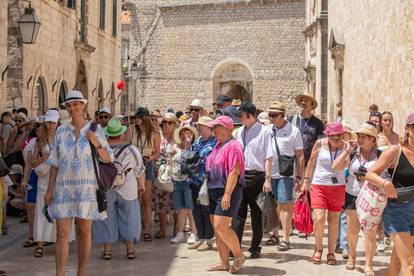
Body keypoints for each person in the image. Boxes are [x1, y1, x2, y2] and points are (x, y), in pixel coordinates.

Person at [44, 90, 113, 276]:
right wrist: (49, 190)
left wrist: (96, 143)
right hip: (63, 188)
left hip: (87, 189)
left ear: (83, 105)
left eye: (76, 104)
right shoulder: (61, 131)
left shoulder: (96, 130)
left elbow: (108, 159)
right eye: (69, 105)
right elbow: (54, 164)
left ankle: (81, 273)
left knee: (84, 232)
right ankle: (60, 274)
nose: (73, 108)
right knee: (62, 235)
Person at [365, 113, 414, 276]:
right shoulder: (395, 151)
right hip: (397, 211)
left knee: (397, 260)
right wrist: (385, 184)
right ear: (407, 129)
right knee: (411, 265)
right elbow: (370, 174)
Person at [92, 118, 145, 260]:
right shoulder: (131, 149)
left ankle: (108, 251)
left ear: (107, 134)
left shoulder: (101, 149)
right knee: (129, 217)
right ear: (121, 134)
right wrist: (142, 185)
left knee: (106, 217)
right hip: (128, 187)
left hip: (106, 187)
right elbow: (139, 169)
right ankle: (130, 250)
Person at [332, 122, 379, 274]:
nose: (360, 139)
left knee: (370, 231)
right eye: (359, 136)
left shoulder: (380, 155)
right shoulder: (353, 153)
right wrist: (347, 151)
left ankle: (368, 264)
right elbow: (336, 167)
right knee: (353, 229)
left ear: (373, 139)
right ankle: (352, 257)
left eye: (364, 136)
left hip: (371, 196)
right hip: (352, 194)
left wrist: (369, 177)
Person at [301, 122, 347, 265]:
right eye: (332, 137)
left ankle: (331, 252)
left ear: (343, 135)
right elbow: (311, 163)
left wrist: (349, 149)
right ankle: (318, 248)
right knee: (319, 218)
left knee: (334, 221)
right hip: (319, 185)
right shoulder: (320, 144)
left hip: (338, 187)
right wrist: (305, 181)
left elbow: (344, 165)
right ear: (327, 135)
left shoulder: (346, 147)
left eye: (339, 137)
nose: (336, 140)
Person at [232, 102, 273, 258]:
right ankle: (235, 248)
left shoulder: (264, 132)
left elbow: (268, 157)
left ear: (249, 115)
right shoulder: (239, 132)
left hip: (258, 177)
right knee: (238, 214)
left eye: (240, 115)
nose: (238, 118)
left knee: (256, 214)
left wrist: (267, 180)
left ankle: (255, 247)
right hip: (241, 176)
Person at [205, 116, 246, 273]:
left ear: (228, 129)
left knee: (221, 227)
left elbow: (235, 171)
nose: (214, 130)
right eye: (214, 127)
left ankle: (238, 255)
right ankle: (223, 262)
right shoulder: (217, 145)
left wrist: (227, 194)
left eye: (217, 127)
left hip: (228, 191)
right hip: (214, 191)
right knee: (218, 230)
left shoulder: (234, 146)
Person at [33, 110, 74, 257]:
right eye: (49, 122)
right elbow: (32, 163)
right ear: (45, 123)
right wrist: (44, 158)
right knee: (41, 209)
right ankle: (40, 243)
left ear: (58, 124)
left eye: (53, 123)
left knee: (60, 210)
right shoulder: (39, 141)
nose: (51, 125)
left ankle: (61, 242)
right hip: (44, 179)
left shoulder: (62, 139)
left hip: (59, 178)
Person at [265, 101, 305, 251]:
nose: (271, 118)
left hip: (286, 174)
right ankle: (275, 234)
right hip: (270, 173)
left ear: (283, 115)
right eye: (270, 115)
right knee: (273, 204)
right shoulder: (268, 130)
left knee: (285, 204)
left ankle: (286, 238)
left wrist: (300, 177)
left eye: (274, 115)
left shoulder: (293, 131)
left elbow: (300, 155)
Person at [130, 107, 161, 242]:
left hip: (146, 164)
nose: (136, 120)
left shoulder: (154, 133)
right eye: (136, 117)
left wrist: (150, 158)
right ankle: (135, 229)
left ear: (144, 118)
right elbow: (127, 145)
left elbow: (157, 153)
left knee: (146, 199)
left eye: (138, 117)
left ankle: (147, 230)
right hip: (132, 165)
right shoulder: (131, 130)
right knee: (135, 199)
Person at [188, 116, 216, 251]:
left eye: (201, 126)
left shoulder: (214, 142)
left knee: (206, 210)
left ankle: (208, 239)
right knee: (196, 210)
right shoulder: (197, 142)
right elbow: (190, 157)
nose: (198, 128)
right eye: (198, 126)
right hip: (194, 180)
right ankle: (200, 237)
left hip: (206, 181)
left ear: (209, 128)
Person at [170, 125, 199, 244]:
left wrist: (187, 145)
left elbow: (190, 159)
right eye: (182, 134)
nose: (184, 136)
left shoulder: (194, 148)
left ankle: (194, 233)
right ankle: (180, 233)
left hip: (188, 181)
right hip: (177, 180)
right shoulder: (175, 148)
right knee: (181, 209)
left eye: (187, 134)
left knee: (190, 209)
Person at [155, 113, 177, 239]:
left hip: (174, 174)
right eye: (165, 122)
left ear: (175, 124)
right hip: (161, 174)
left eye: (170, 122)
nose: (166, 125)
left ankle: (176, 229)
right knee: (161, 202)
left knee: (175, 203)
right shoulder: (158, 137)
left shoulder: (178, 140)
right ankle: (162, 230)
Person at [289, 91, 325, 166]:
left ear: (312, 105)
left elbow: (321, 144)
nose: (303, 102)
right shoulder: (291, 120)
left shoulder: (318, 123)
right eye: (302, 100)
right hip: (292, 164)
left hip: (310, 163)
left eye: (306, 100)